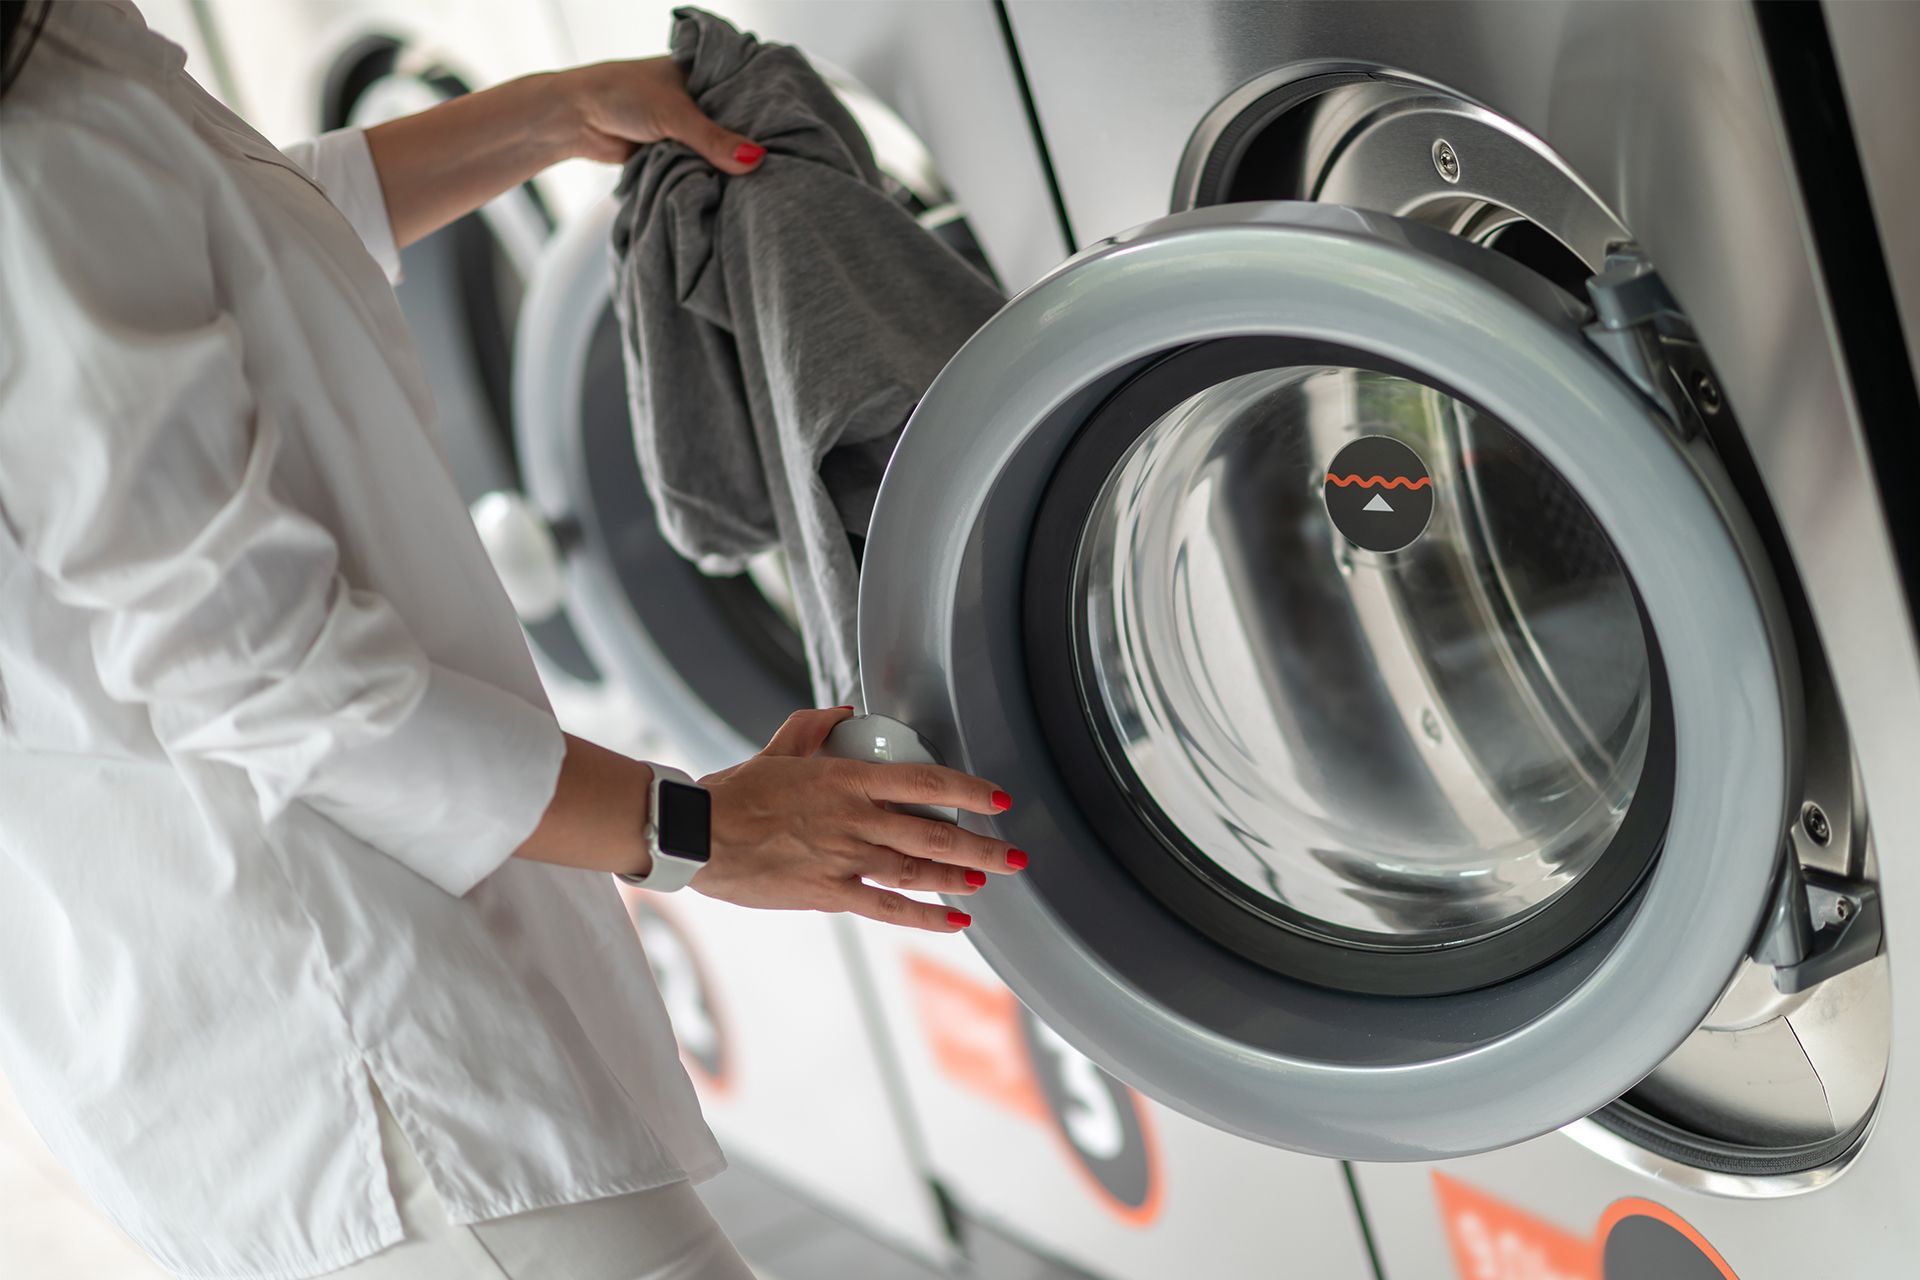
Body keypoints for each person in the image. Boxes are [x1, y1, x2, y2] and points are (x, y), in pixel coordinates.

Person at [0, 3, 1026, 1277]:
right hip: (361, 1052)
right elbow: (278, 682)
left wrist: (551, 112)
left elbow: (218, 238)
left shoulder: (63, 77)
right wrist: (704, 831)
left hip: (309, 1031)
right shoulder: (32, 150)